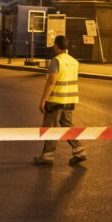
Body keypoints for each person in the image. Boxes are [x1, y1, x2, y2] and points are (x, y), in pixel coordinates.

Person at [34, 35, 86, 166]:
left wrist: (43, 100)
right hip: (70, 99)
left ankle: (47, 156)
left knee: (51, 127)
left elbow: (52, 82)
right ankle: (79, 151)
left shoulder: (56, 61)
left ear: (57, 46)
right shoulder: (74, 61)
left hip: (56, 100)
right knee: (67, 125)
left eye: (54, 45)